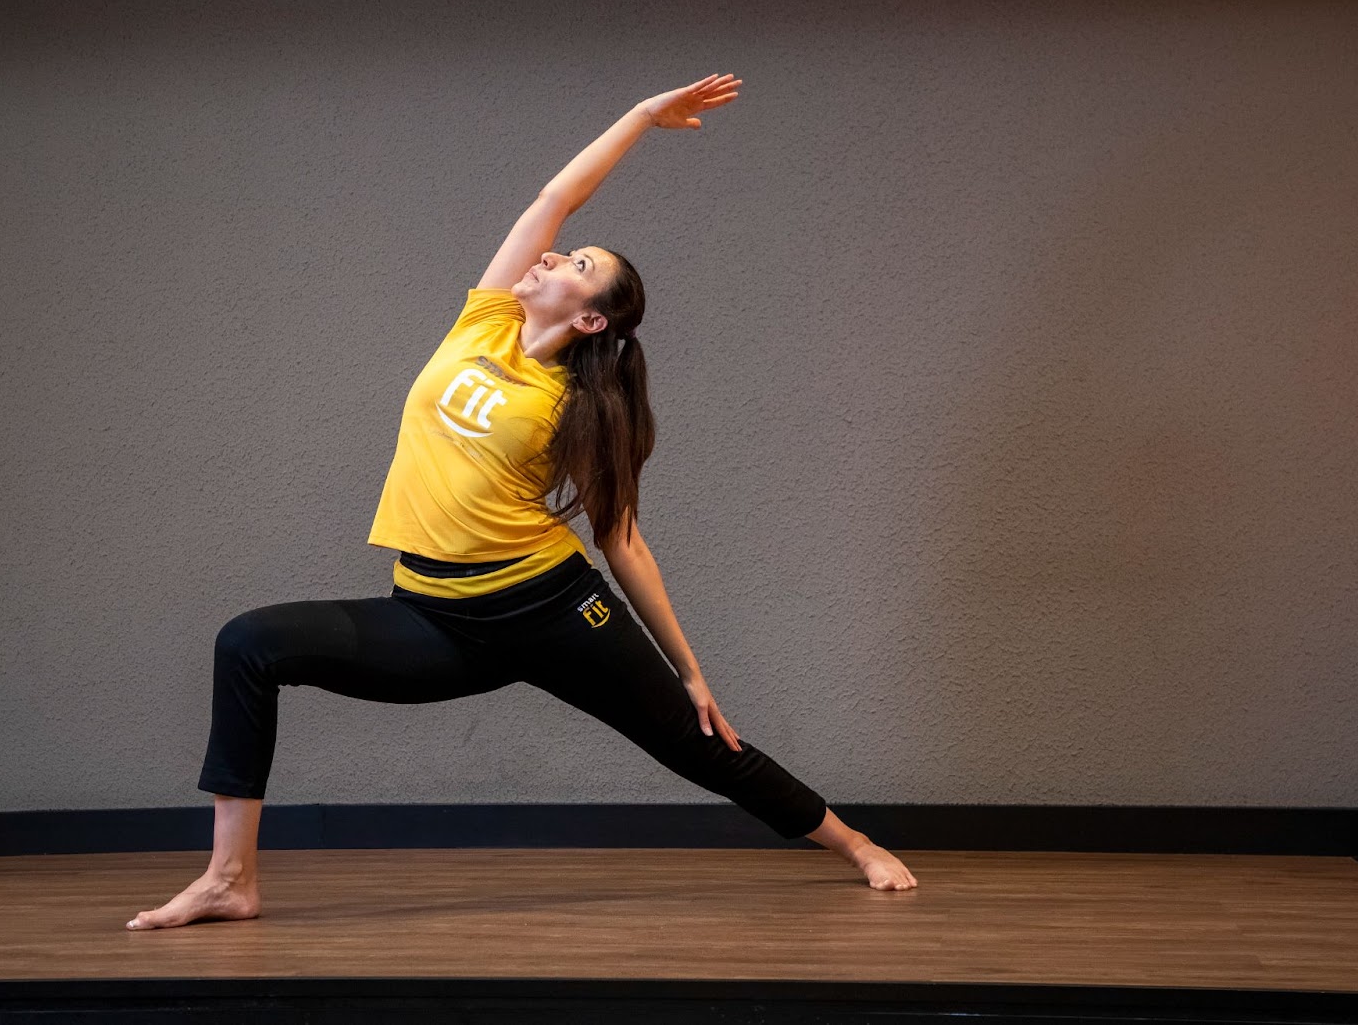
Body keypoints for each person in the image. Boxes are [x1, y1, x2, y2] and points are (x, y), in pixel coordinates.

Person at [127, 73, 916, 931]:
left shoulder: (577, 410)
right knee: (248, 645)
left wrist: (690, 669)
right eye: (569, 251)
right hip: (431, 615)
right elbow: (555, 196)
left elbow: (623, 543)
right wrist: (644, 117)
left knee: (694, 743)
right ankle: (229, 879)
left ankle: (855, 844)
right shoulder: (485, 323)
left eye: (579, 266)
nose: (556, 254)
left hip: (546, 608)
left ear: (589, 321)